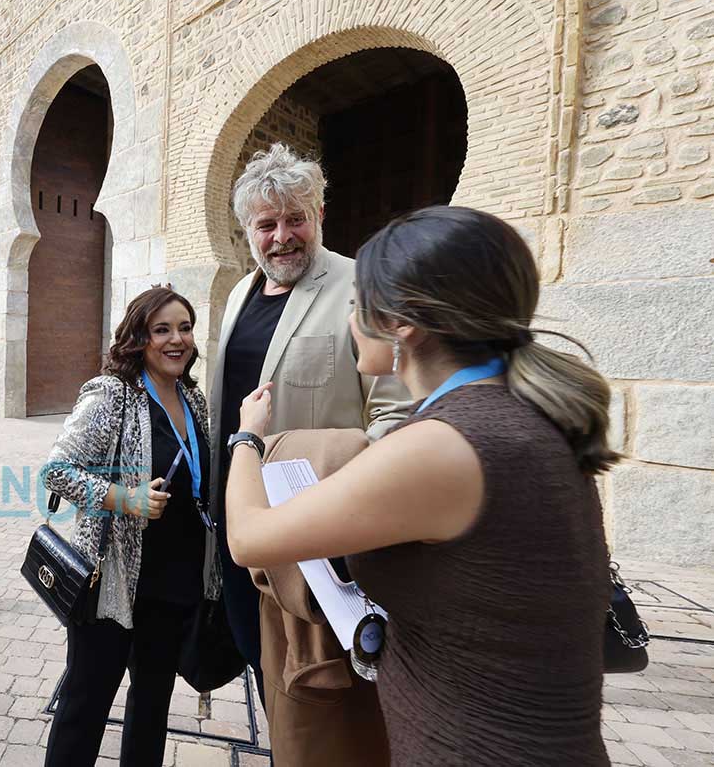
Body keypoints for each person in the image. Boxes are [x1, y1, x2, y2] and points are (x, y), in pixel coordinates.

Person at [226, 206, 616, 766]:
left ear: (402, 323)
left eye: (357, 304)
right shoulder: (513, 411)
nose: (350, 318)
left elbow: (248, 537)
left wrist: (247, 438)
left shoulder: (444, 446)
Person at [210, 143, 408, 709]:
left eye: (295, 219)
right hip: (239, 521)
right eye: (266, 224)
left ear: (319, 214)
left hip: (314, 543)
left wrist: (347, 508)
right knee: (260, 659)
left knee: (317, 692)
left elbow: (395, 418)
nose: (282, 237)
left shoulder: (360, 286)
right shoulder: (240, 294)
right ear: (247, 230)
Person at [41, 286, 217, 767]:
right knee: (85, 705)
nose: (176, 339)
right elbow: (57, 471)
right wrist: (126, 498)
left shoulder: (193, 398)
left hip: (174, 584)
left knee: (153, 707)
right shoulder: (112, 394)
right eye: (162, 330)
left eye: (184, 328)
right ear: (139, 338)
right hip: (110, 582)